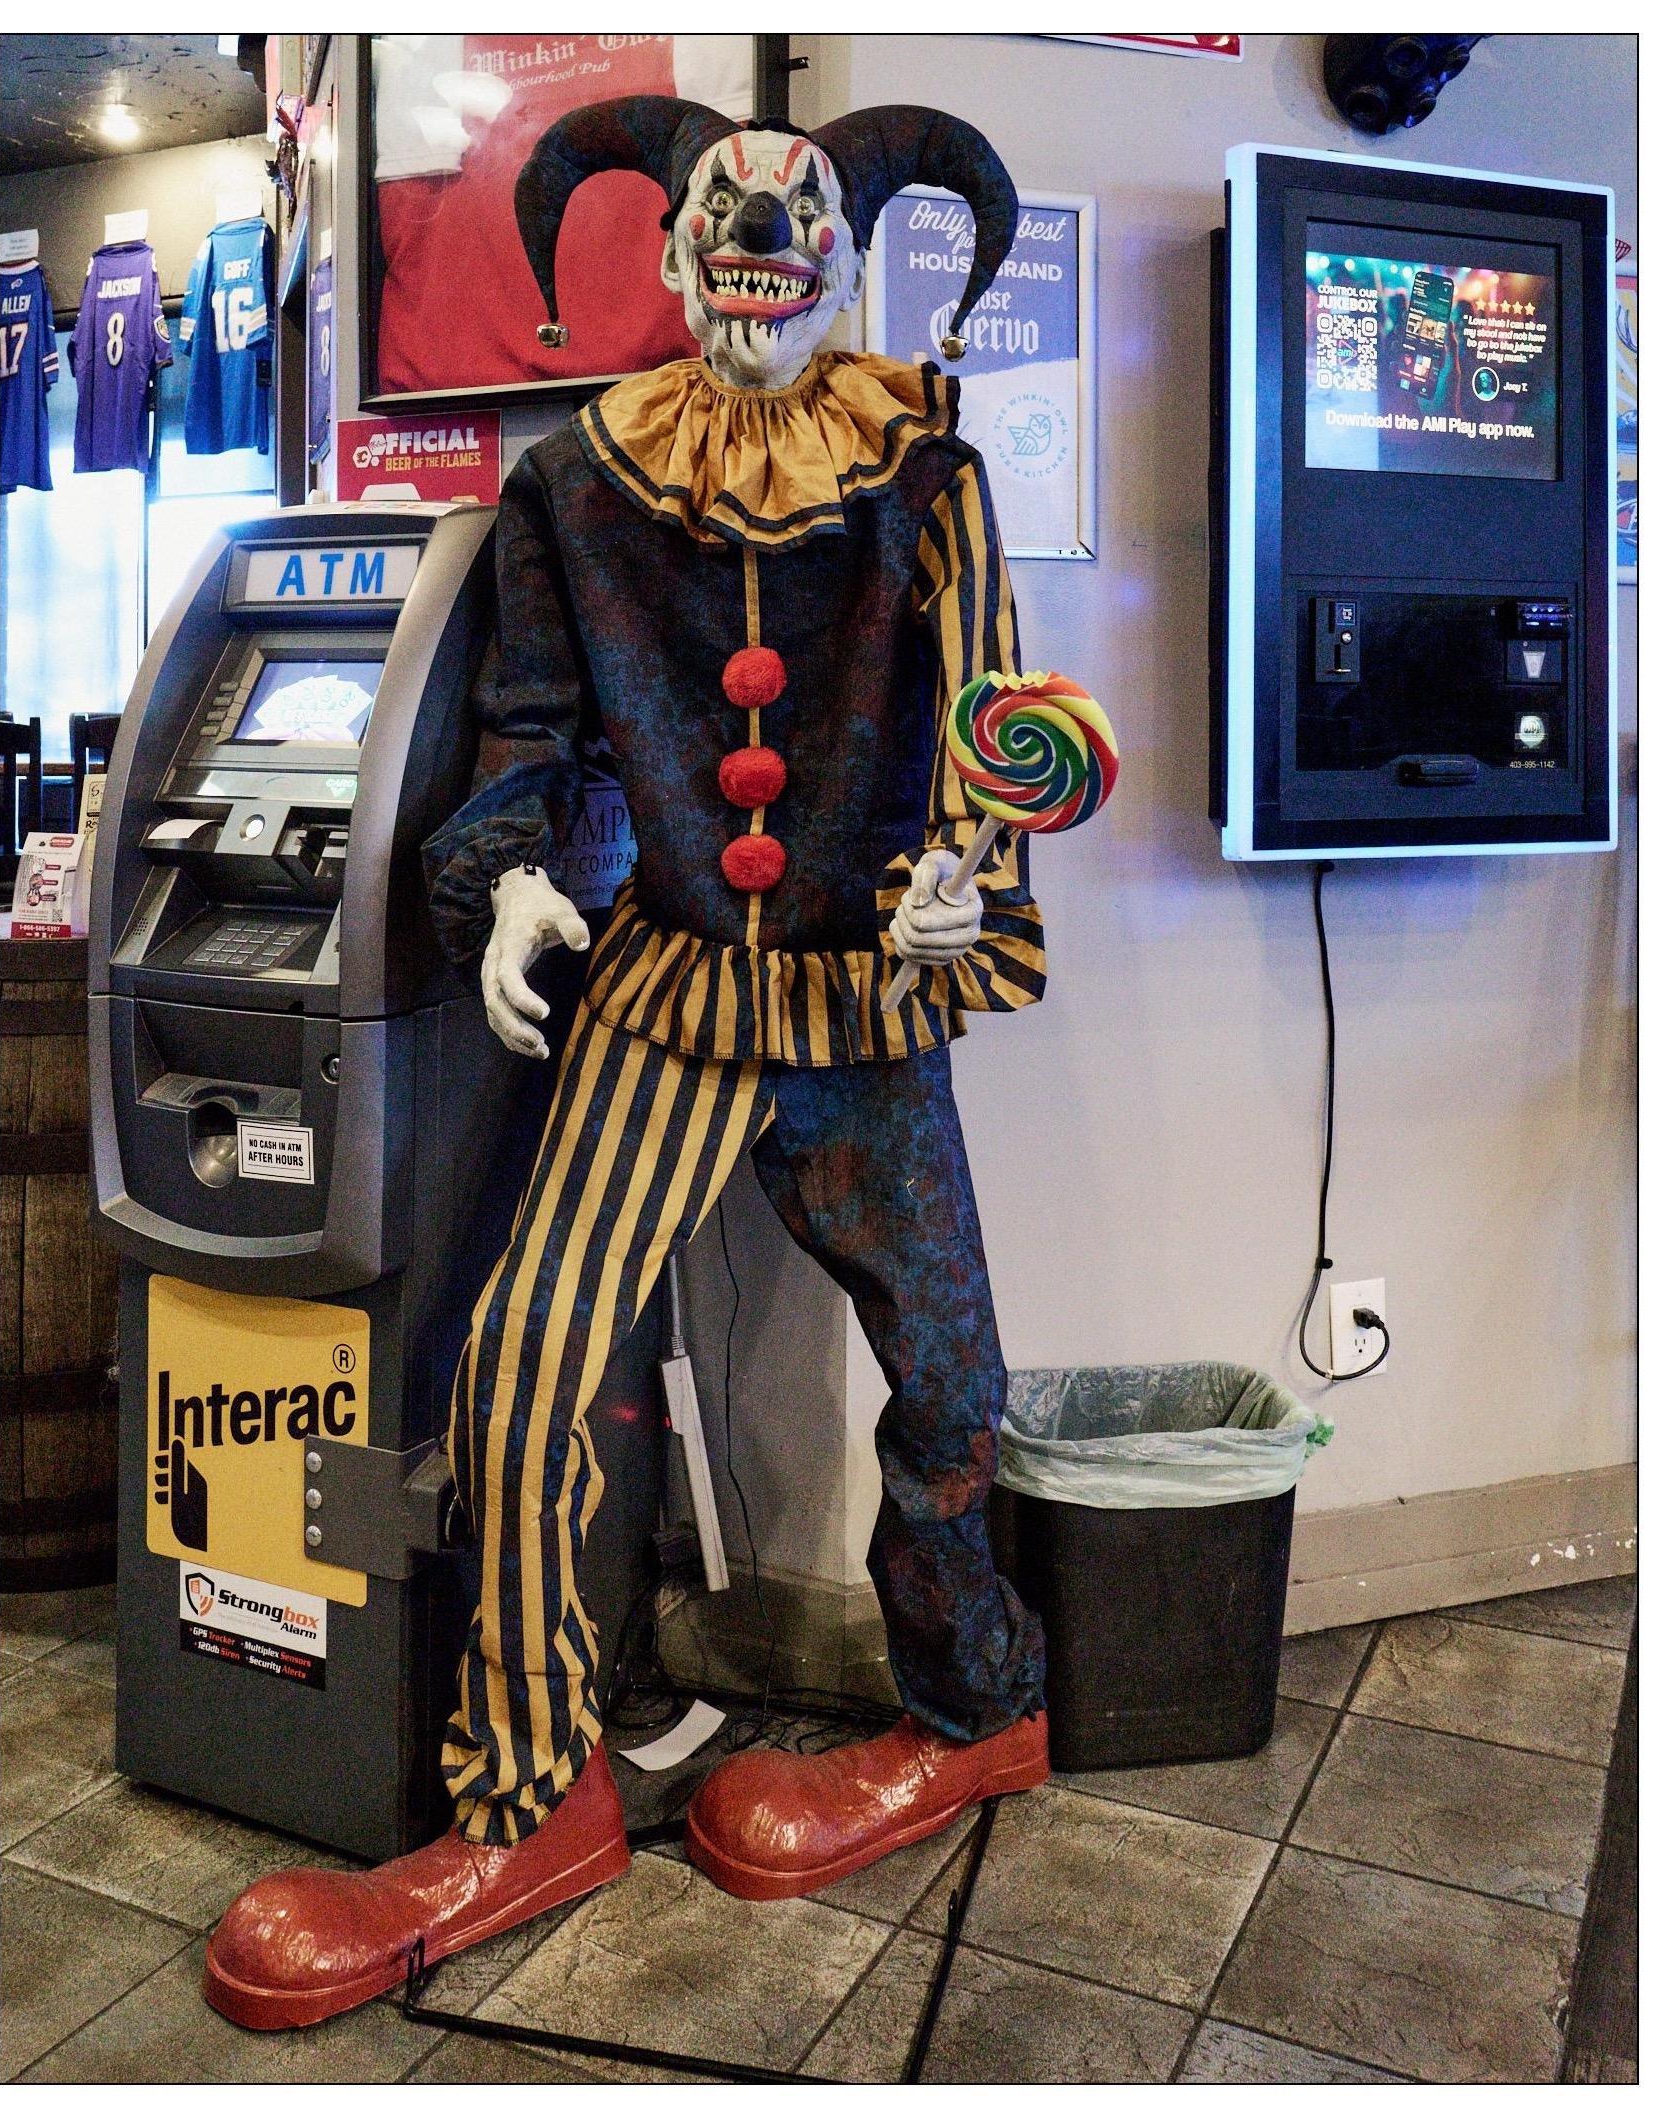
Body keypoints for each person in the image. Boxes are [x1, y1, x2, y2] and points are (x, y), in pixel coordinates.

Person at [205, 95, 1069, 2031]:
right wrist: (503, 883)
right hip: (666, 996)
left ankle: (974, 1712)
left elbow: (992, 701)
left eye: (800, 213)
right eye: (722, 215)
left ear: (844, 256)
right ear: (670, 255)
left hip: (861, 997)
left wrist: (969, 866)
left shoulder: (921, 462)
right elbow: (527, 733)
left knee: (946, 1383)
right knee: (522, 1361)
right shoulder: (579, 484)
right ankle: (528, 1795)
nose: (759, 241)